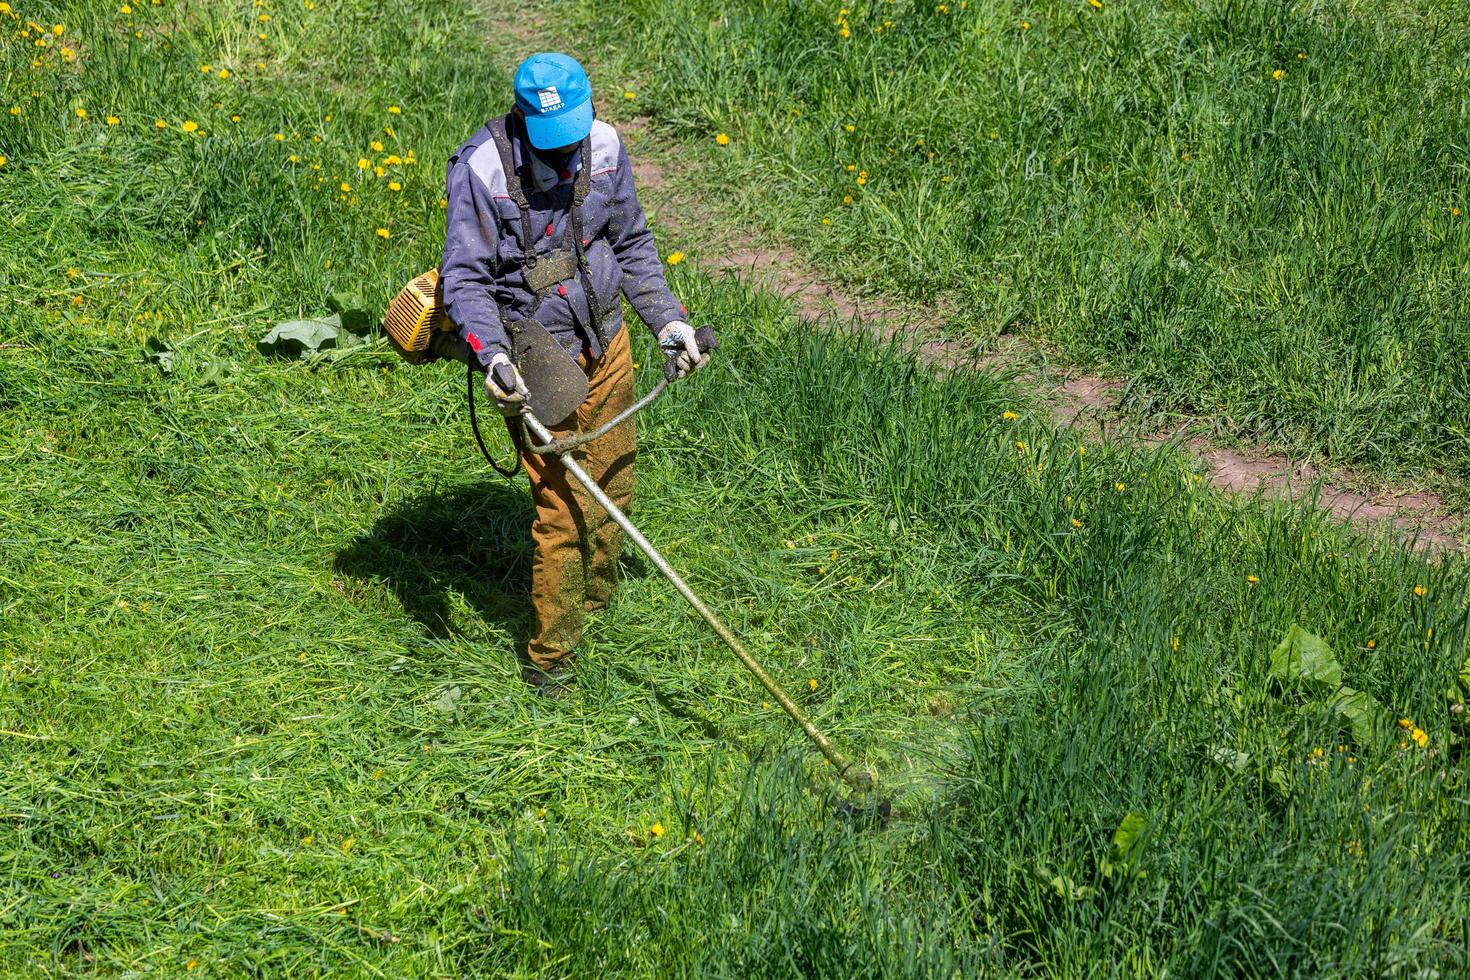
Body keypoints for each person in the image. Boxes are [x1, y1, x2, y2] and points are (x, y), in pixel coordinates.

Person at [440, 52, 712, 696]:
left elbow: (633, 244)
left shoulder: (607, 146)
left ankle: (596, 603)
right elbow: (466, 281)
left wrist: (669, 323)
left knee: (614, 485)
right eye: (552, 146)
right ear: (522, 120)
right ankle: (551, 658)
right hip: (534, 353)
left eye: (575, 141)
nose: (567, 159)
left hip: (606, 332)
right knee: (562, 509)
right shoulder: (482, 171)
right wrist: (495, 358)